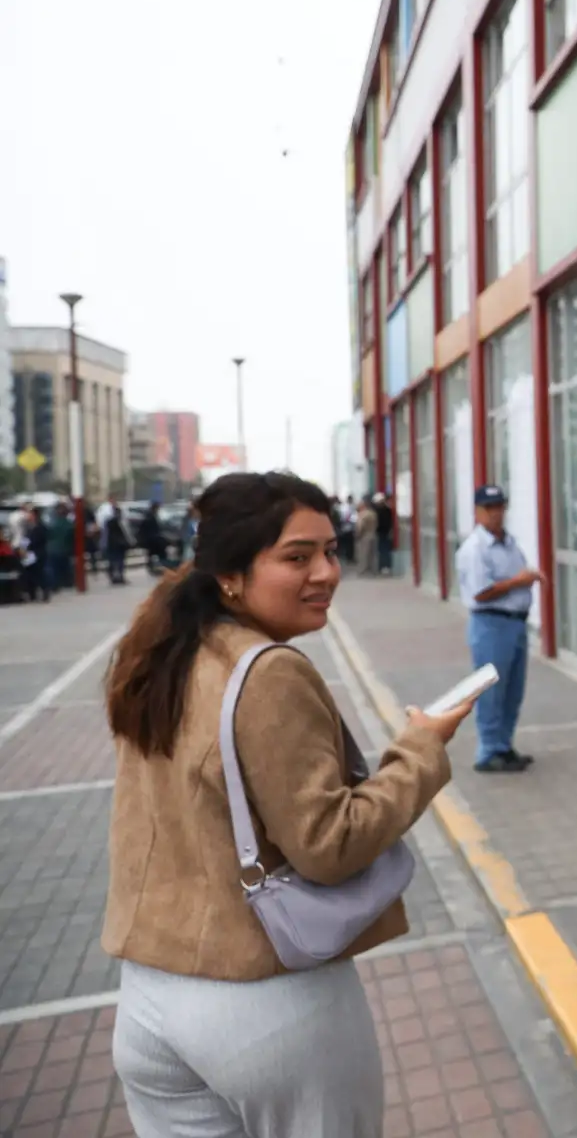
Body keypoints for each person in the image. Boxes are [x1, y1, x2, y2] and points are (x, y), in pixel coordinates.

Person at [101, 471, 475, 1135]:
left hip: (149, 1003)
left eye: (330, 551)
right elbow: (328, 846)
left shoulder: (162, 652)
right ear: (230, 576)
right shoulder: (269, 671)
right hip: (264, 1002)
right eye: (296, 557)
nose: (326, 573)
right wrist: (420, 749)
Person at [454, 485, 541, 773]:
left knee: (513, 690)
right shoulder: (475, 549)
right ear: (477, 512)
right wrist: (519, 581)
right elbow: (481, 592)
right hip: (491, 623)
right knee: (492, 691)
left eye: (499, 507)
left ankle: (504, 746)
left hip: (514, 623)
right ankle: (488, 750)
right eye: (489, 508)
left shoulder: (509, 543)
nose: (495, 513)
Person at [21, 507, 50, 602]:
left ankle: (45, 592)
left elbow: (39, 540)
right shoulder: (29, 527)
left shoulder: (40, 527)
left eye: (30, 514)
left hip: (38, 553)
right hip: (29, 554)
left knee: (39, 574)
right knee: (30, 574)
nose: (28, 516)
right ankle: (32, 594)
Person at [47, 502, 75, 588]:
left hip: (51, 549)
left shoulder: (51, 524)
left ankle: (55, 584)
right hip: (64, 550)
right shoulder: (69, 525)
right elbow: (71, 539)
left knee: (54, 569)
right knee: (65, 567)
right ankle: (67, 582)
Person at [354, 499, 378, 577]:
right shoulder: (373, 513)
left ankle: (363, 570)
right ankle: (373, 570)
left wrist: (357, 534)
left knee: (363, 554)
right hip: (373, 534)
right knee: (372, 554)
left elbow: (360, 526)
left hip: (364, 536)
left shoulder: (362, 514)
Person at [373, 493, 395, 575]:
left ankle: (384, 566)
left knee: (383, 551)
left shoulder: (379, 511)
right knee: (384, 550)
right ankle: (385, 567)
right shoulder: (387, 510)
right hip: (384, 532)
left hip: (382, 533)